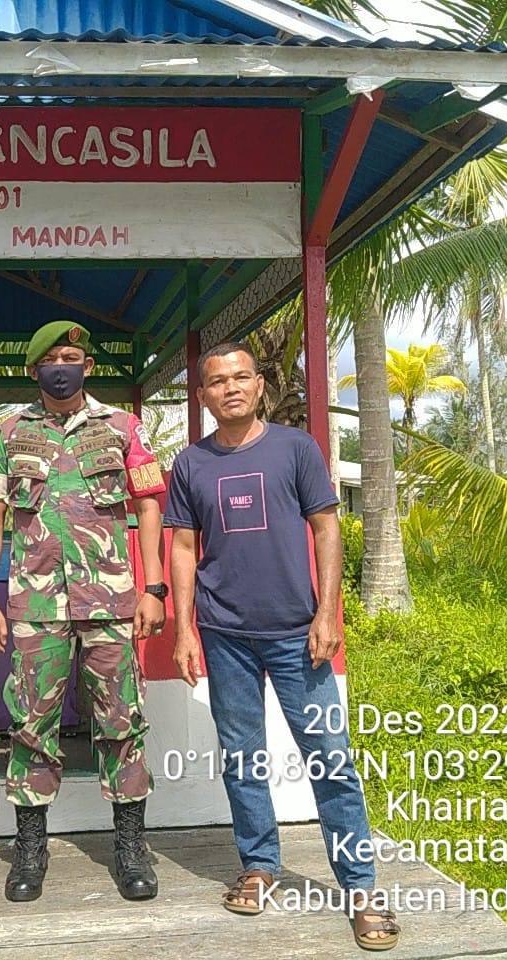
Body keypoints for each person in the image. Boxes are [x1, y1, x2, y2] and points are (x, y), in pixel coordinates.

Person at [164, 342, 398, 950]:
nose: (230, 387)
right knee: (243, 760)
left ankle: (361, 888)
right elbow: (184, 549)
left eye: (241, 377)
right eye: (217, 381)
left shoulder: (297, 449)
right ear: (203, 395)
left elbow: (327, 528)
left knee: (331, 762)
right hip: (225, 636)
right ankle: (260, 865)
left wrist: (328, 611)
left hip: (301, 636)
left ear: (260, 385)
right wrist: (184, 628)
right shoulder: (190, 464)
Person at [0, 319, 168, 903]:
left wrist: (153, 587)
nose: (64, 364)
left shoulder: (125, 428)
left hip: (110, 603)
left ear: (87, 366)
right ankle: (30, 851)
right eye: (52, 357)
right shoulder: (8, 432)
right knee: (32, 724)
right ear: (36, 370)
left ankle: (131, 847)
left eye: (73, 356)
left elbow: (150, 502)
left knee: (121, 722)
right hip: (35, 607)